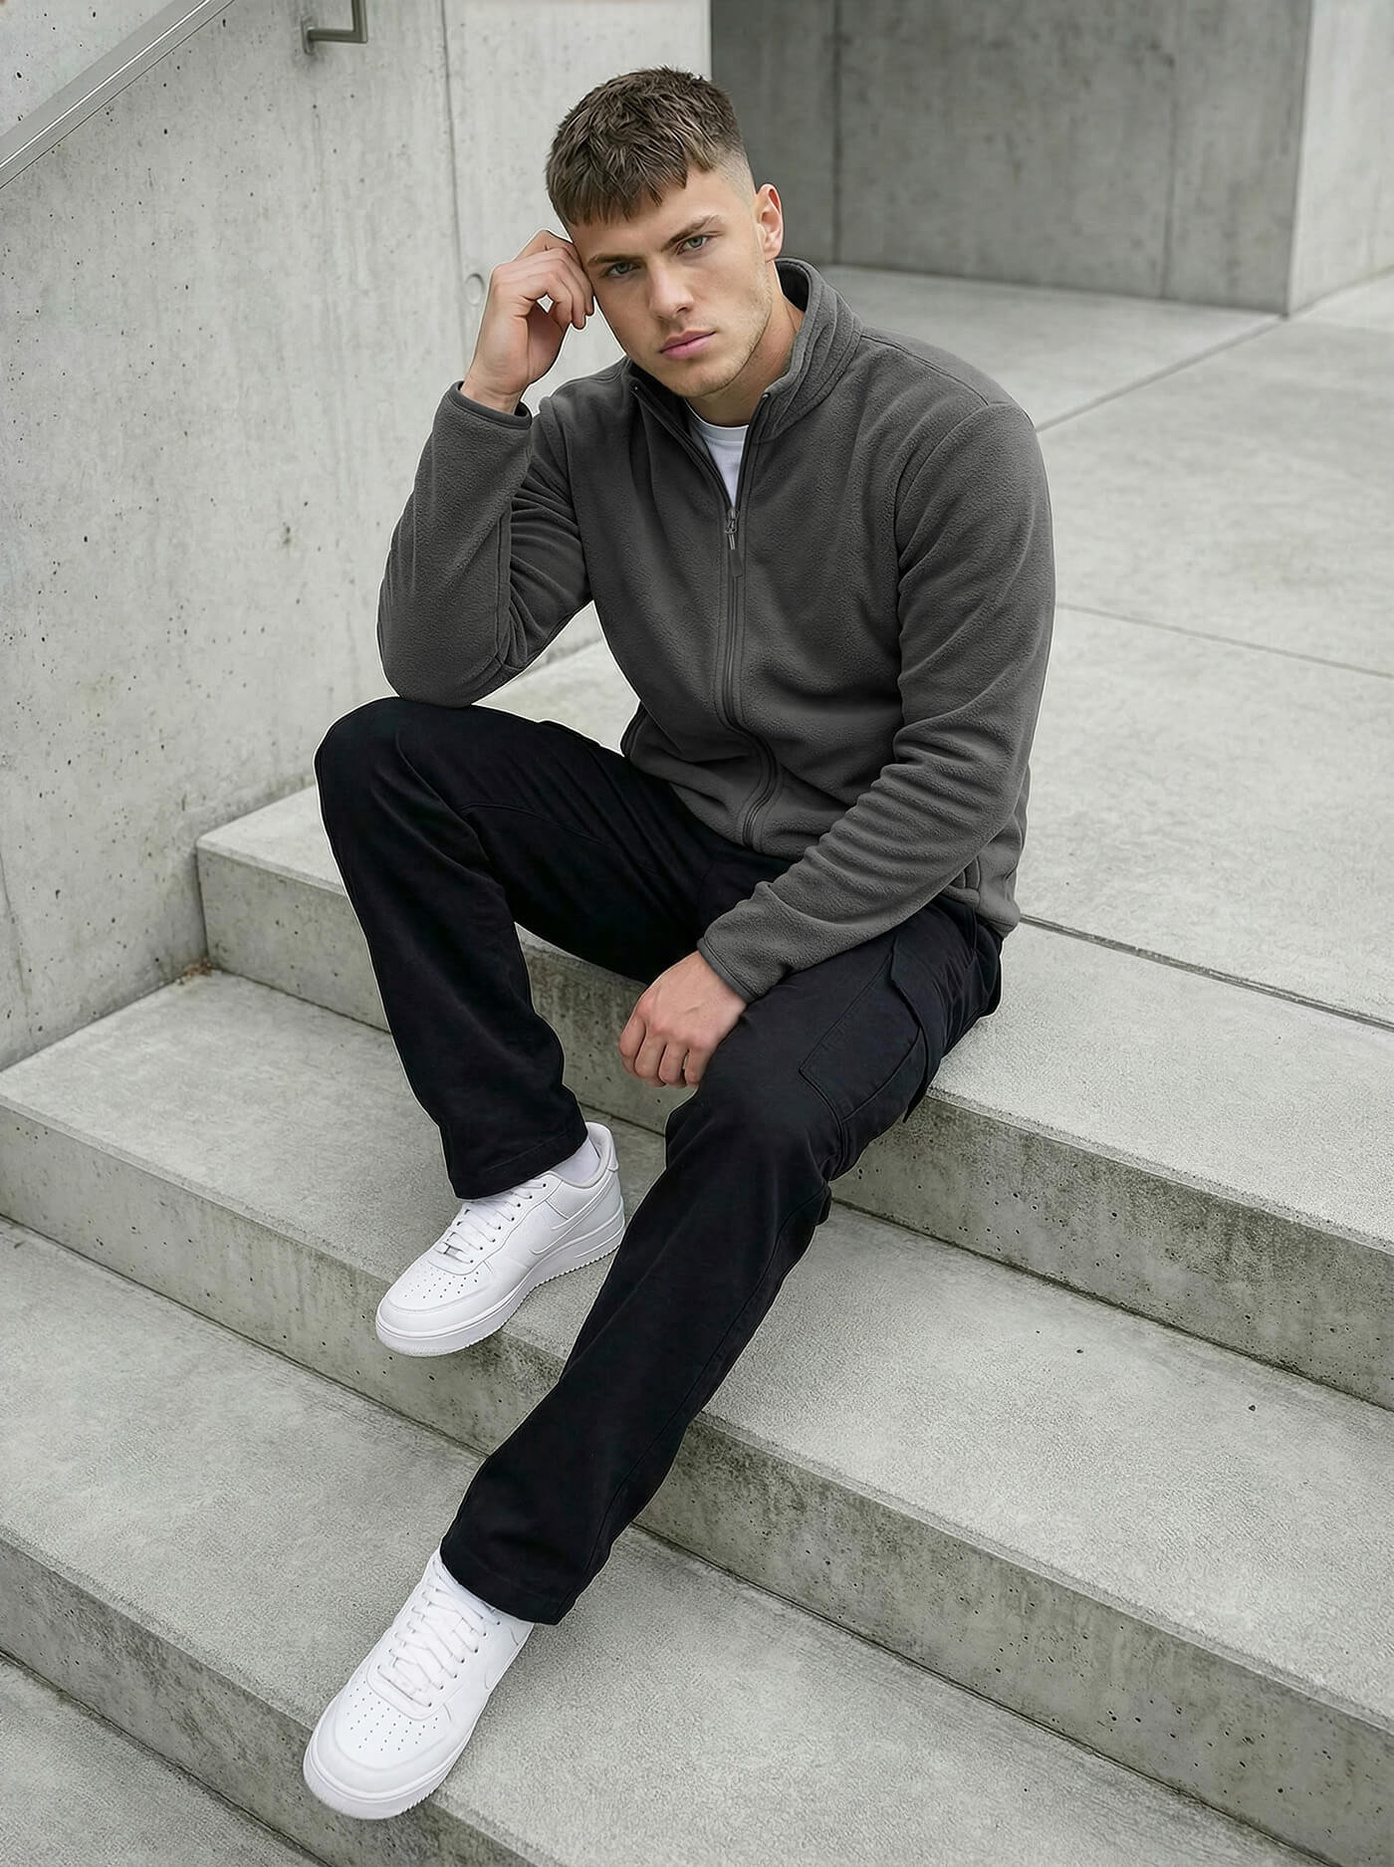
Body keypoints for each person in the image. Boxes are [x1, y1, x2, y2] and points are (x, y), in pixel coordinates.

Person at [302, 64, 1055, 1821]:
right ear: (580, 277)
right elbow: (441, 661)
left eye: (698, 244)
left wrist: (743, 962)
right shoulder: (590, 433)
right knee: (381, 756)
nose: (669, 301)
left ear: (764, 218)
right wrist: (490, 395)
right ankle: (532, 1170)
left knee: (760, 1117)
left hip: (905, 902)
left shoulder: (948, 435)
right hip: (685, 836)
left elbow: (956, 778)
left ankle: (493, 1577)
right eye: (621, 270)